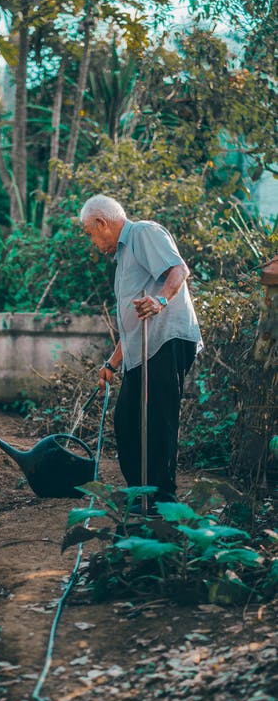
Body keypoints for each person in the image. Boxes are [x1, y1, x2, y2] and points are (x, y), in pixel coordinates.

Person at [80, 194, 202, 511]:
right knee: (128, 420)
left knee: (157, 421)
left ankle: (162, 502)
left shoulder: (144, 233)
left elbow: (179, 270)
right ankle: (141, 496)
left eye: (89, 233)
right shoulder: (123, 257)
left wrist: (160, 301)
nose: (91, 241)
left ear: (101, 223)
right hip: (143, 347)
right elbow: (132, 324)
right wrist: (112, 363)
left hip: (165, 340)